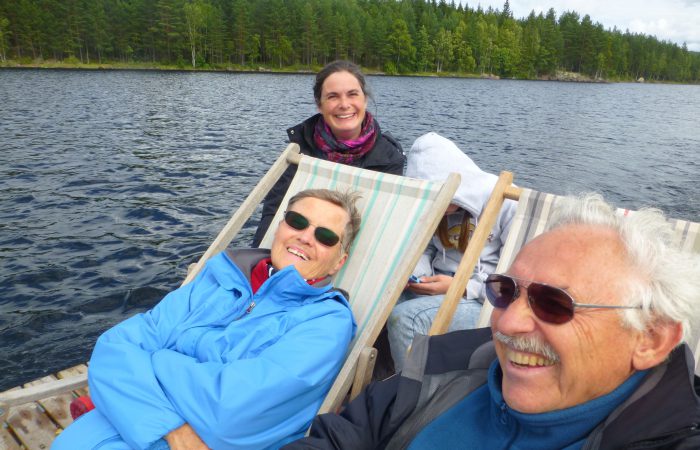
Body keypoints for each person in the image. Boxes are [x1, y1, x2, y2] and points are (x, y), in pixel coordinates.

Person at [284, 193, 700, 449]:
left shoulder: (672, 437)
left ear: (650, 339)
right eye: (506, 290)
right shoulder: (444, 366)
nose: (509, 324)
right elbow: (340, 438)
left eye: (554, 303)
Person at [53, 189, 362, 450]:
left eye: (325, 236)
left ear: (339, 262)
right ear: (280, 227)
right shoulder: (222, 277)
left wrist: (155, 359)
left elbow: (231, 411)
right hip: (128, 427)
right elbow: (113, 347)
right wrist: (170, 427)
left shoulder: (325, 322)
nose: (305, 237)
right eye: (297, 221)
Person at [387, 132, 516, 371]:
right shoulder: (436, 206)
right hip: (440, 286)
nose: (441, 205)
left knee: (404, 318)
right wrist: (418, 275)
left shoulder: (506, 202)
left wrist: (461, 287)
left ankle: (409, 390)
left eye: (445, 197)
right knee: (383, 299)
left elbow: (516, 277)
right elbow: (425, 247)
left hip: (484, 299)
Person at [252, 60, 404, 247]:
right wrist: (261, 257)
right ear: (319, 104)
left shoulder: (389, 158)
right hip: (300, 246)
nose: (344, 104)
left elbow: (383, 228)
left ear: (364, 99)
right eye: (333, 96)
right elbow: (274, 213)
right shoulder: (299, 150)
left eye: (352, 94)